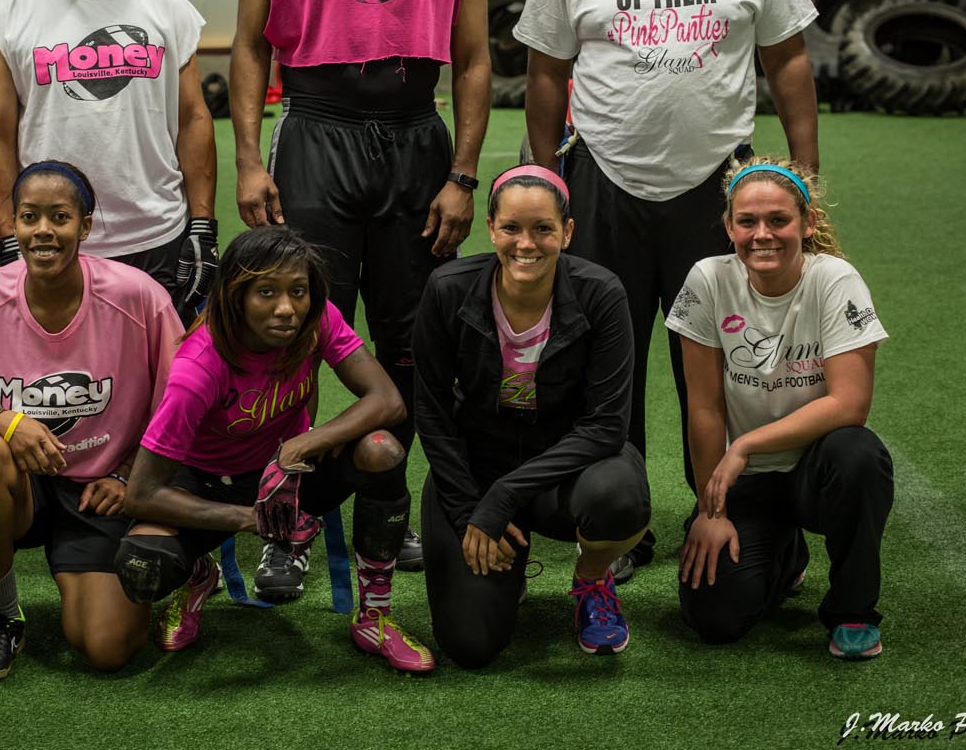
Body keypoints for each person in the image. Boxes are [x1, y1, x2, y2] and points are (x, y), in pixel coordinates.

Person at [516, 0, 820, 577]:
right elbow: (545, 72)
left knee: (724, 362)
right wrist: (543, 181)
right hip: (605, 181)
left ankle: (728, 508)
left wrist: (803, 177)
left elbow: (786, 58)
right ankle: (619, 523)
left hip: (717, 186)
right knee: (605, 362)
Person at [230, 0, 491, 587]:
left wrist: (462, 175)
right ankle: (289, 516)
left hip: (418, 142)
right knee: (297, 331)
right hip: (316, 132)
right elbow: (249, 47)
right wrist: (248, 157)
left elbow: (476, 61)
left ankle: (386, 503)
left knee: (413, 341)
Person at [113, 225, 435, 673]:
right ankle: (198, 575)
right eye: (266, 292)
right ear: (236, 297)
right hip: (208, 483)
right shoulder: (198, 368)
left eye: (298, 291)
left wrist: (302, 443)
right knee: (142, 564)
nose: (287, 308)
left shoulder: (315, 320)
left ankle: (374, 617)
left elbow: (388, 400)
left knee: (382, 450)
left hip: (286, 472)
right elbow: (141, 494)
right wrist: (251, 519)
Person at [0, 160, 182, 680]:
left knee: (106, 648)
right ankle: (3, 618)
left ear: (85, 226)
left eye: (60, 217)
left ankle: (160, 560)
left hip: (100, 489)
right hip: (21, 485)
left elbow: (177, 403)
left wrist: (128, 476)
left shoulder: (137, 295)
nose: (43, 231)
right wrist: (7, 424)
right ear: (14, 223)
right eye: (29, 217)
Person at [412, 166, 649, 668]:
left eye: (543, 228)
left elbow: (607, 426)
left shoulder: (600, 292)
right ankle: (508, 571)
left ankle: (591, 580)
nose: (526, 243)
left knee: (617, 496)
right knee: (471, 645)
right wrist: (469, 509)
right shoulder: (447, 288)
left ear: (567, 231)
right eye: (511, 228)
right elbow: (432, 412)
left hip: (570, 466)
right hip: (478, 466)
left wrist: (503, 497)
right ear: (491, 229)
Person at [665, 157, 892, 660]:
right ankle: (784, 554)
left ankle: (852, 611)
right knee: (715, 618)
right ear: (729, 227)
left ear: (807, 223)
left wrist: (745, 444)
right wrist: (712, 509)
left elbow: (849, 404)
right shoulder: (707, 280)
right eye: (747, 221)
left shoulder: (835, 280)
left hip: (816, 471)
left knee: (859, 454)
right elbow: (704, 407)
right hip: (747, 483)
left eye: (778, 220)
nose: (762, 234)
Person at [0, 0, 217, 325]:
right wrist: (7, 236)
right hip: (55, 237)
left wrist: (203, 225)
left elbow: (193, 118)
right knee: (64, 366)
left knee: (163, 366)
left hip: (156, 231)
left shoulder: (167, 7)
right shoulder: (5, 13)